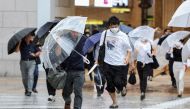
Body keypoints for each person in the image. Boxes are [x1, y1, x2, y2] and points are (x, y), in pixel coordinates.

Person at [98, 16, 131, 108]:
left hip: (120, 64)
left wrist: (127, 58)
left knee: (118, 82)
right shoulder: (104, 34)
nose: (114, 28)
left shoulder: (123, 35)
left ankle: (122, 87)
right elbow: (101, 48)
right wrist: (98, 60)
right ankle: (114, 102)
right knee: (110, 85)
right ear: (109, 26)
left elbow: (129, 49)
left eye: (116, 26)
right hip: (107, 63)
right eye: (112, 26)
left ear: (119, 25)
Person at [59, 31, 86, 109]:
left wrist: (88, 52)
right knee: (66, 92)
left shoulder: (83, 39)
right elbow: (58, 54)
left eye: (76, 32)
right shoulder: (64, 39)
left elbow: (89, 49)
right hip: (67, 70)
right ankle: (67, 101)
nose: (75, 33)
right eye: (73, 32)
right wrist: (59, 43)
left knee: (78, 91)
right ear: (70, 31)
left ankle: (77, 107)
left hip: (79, 70)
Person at [20, 32, 40, 96]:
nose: (29, 37)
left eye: (30, 36)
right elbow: (17, 50)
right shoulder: (21, 44)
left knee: (30, 75)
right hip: (23, 62)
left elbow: (39, 51)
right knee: (24, 77)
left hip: (32, 62)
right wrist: (19, 42)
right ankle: (26, 89)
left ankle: (29, 90)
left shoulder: (33, 44)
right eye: (28, 36)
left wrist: (34, 55)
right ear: (25, 37)